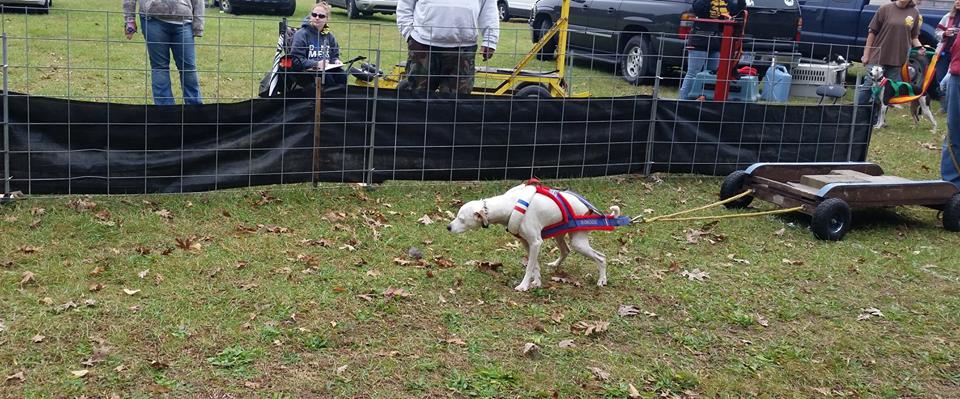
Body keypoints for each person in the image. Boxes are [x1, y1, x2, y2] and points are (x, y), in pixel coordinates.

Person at [396, 0, 499, 95]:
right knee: (415, 99)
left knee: (456, 104)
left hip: (463, 50)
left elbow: (489, 8)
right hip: (422, 46)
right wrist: (409, 34)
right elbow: (405, 5)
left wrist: (490, 40)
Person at [123, 0, 204, 105]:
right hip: (152, 20)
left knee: (188, 68)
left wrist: (198, 25)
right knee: (159, 67)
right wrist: (129, 19)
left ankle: (195, 111)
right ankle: (165, 112)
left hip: (184, 21)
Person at [858, 0, 922, 104]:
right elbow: (872, 32)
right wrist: (866, 54)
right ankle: (856, 116)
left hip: (897, 59)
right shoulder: (885, 8)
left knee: (886, 92)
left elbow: (914, 36)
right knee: (868, 87)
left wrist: (920, 48)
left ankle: (876, 119)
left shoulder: (914, 12)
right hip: (878, 56)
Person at [679, 0, 742, 100]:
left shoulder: (727, 2)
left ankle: (707, 101)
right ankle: (683, 100)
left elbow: (737, 10)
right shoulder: (701, 2)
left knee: (711, 74)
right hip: (699, 39)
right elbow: (698, 9)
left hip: (716, 42)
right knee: (693, 72)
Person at [290, 2, 346, 87]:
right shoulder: (301, 34)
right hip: (307, 71)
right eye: (314, 15)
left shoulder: (329, 36)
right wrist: (315, 64)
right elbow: (296, 60)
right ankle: (326, 100)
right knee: (327, 77)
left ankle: (339, 99)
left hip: (326, 69)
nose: (317, 18)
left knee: (342, 75)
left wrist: (335, 61)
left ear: (327, 19)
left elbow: (334, 55)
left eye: (321, 16)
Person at [935, 0, 960, 112]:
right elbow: (937, 32)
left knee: (952, 81)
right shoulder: (948, 17)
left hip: (957, 56)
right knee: (940, 81)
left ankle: (952, 106)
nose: (958, 1)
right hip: (945, 53)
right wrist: (944, 34)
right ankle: (944, 107)